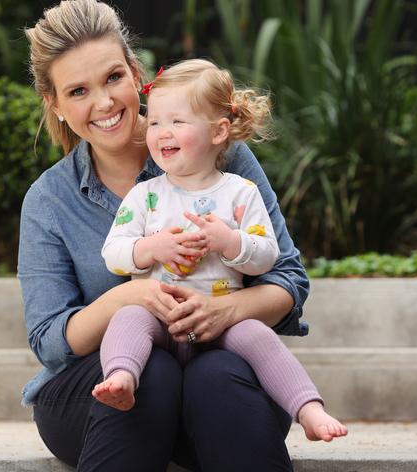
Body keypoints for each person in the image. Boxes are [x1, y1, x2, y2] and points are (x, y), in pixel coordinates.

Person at [20, 0, 310, 472]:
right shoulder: (49, 200)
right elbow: (51, 341)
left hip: (216, 384)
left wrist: (224, 312)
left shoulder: (218, 154)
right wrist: (128, 300)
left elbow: (289, 280)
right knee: (150, 372)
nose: (104, 103)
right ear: (53, 103)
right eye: (77, 91)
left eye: (113, 78)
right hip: (95, 394)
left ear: (136, 73)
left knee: (214, 374)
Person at [93, 59, 347, 443]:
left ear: (219, 131)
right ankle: (122, 378)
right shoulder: (145, 195)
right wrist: (151, 247)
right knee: (126, 318)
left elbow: (267, 255)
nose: (163, 132)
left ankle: (308, 408)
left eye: (178, 122)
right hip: (158, 319)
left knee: (260, 338)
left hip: (222, 322)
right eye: (156, 121)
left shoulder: (239, 192)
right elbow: (114, 252)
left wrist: (231, 243)